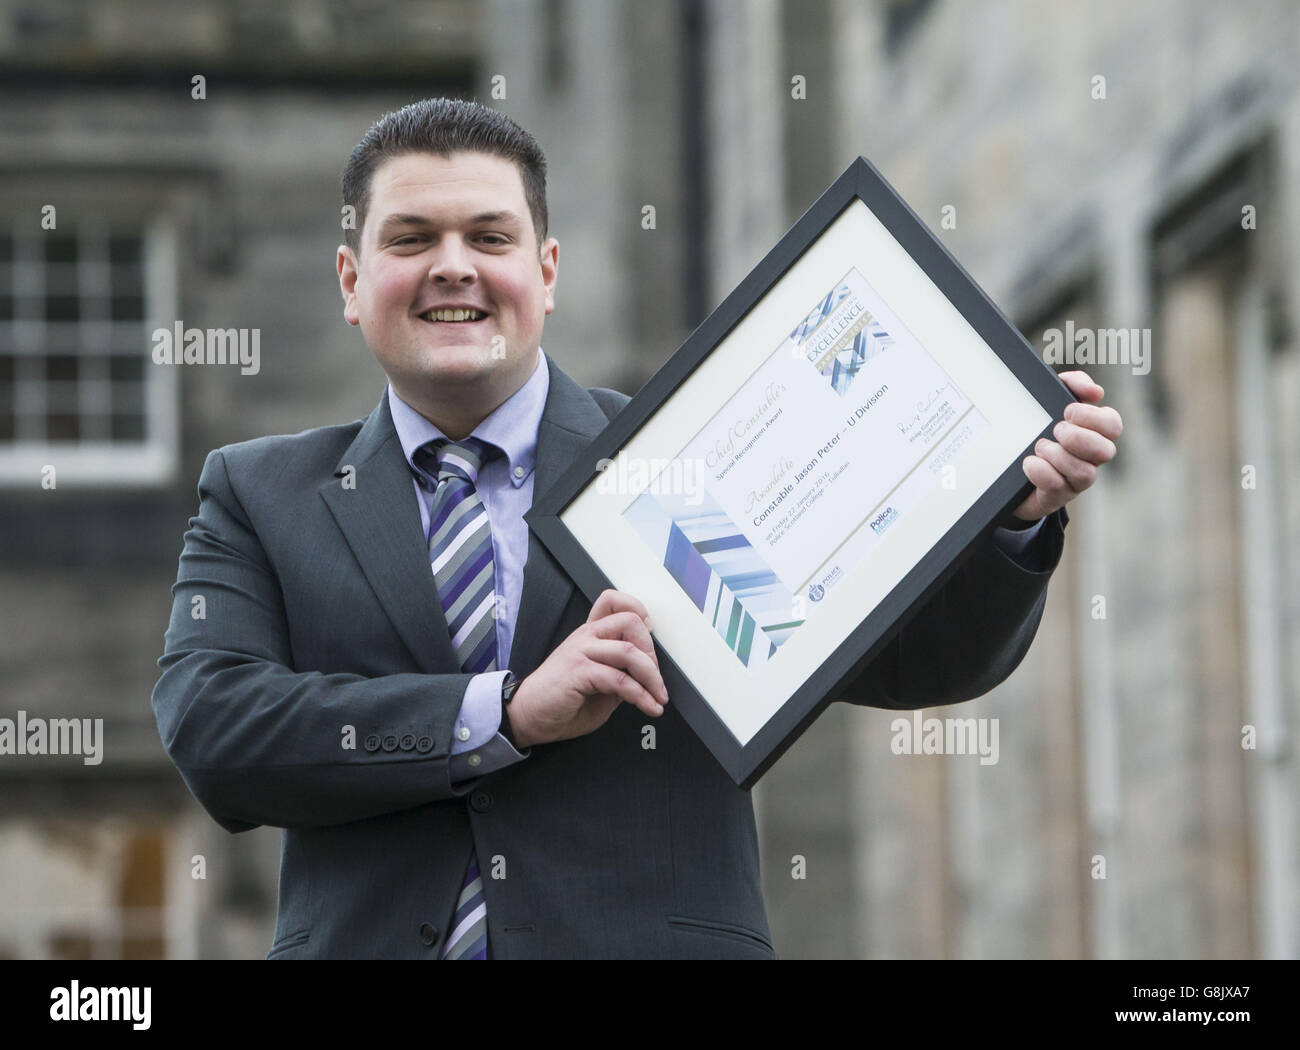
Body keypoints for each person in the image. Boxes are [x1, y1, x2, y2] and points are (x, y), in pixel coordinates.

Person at [151, 98, 1122, 959]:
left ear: (546, 270)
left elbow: (920, 661)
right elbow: (216, 728)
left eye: (490, 237)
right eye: (411, 239)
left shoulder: (689, 454)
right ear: (351, 280)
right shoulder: (257, 494)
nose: (454, 266)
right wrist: (506, 713)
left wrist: (1011, 523)